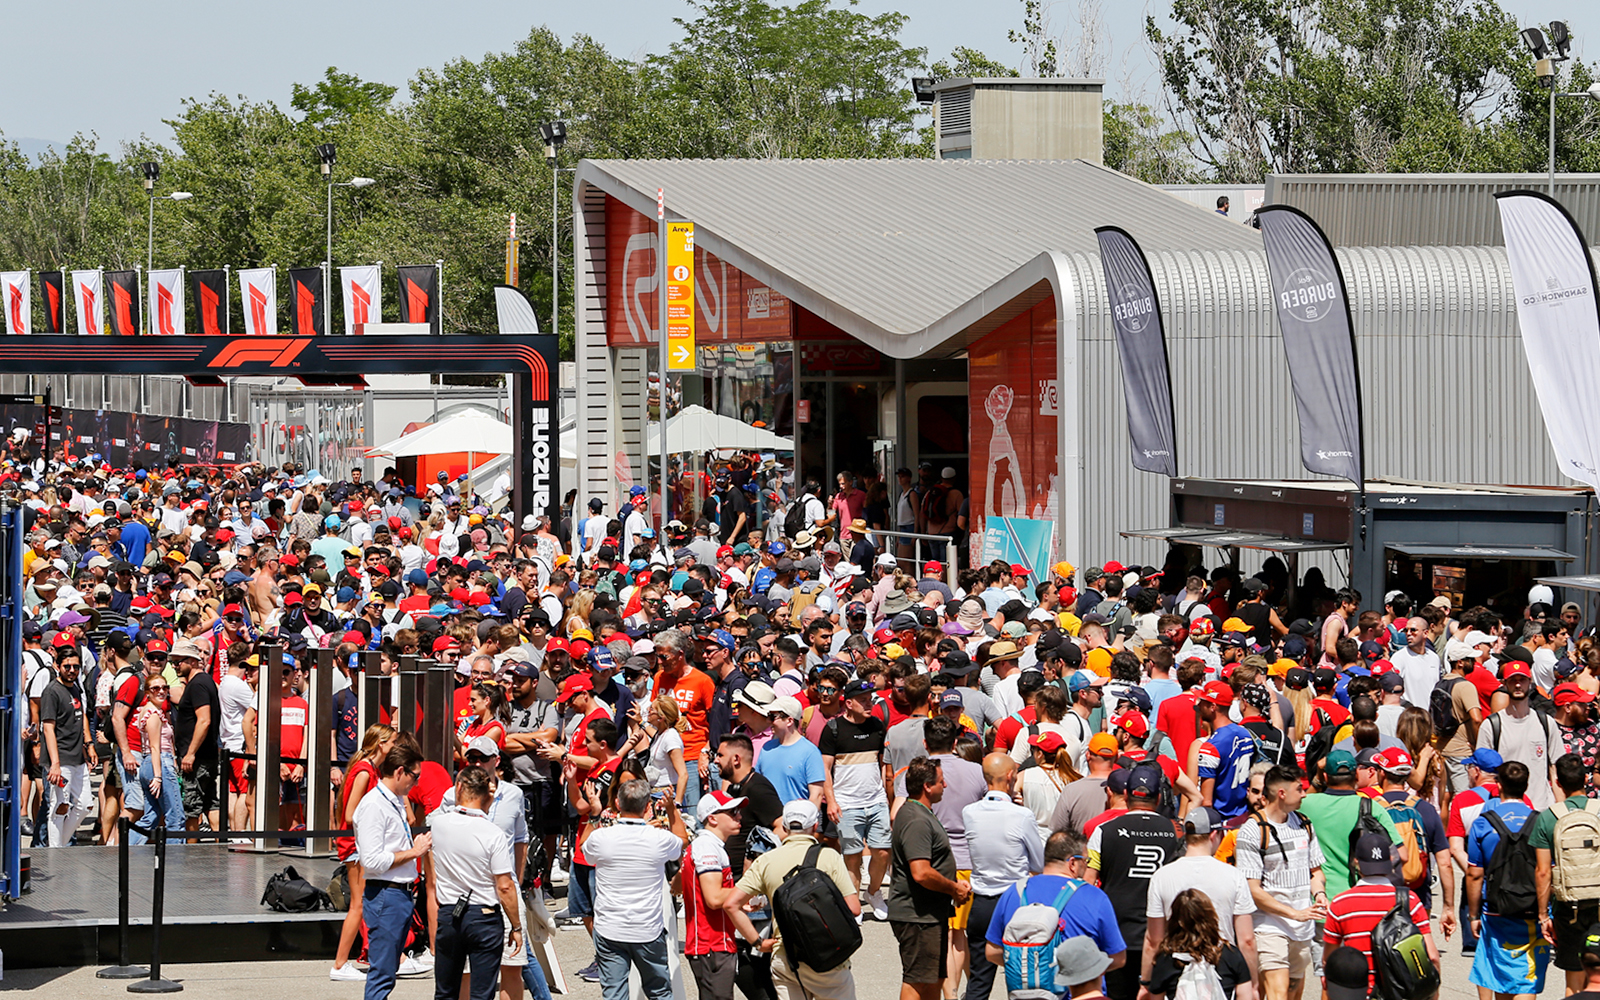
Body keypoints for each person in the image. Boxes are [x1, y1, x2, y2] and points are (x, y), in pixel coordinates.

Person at [727, 798, 862, 1000]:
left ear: (784, 826)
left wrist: (758, 942)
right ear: (815, 826)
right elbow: (854, 908)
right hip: (828, 955)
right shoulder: (829, 856)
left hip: (786, 957)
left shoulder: (766, 860)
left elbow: (731, 904)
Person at [583, 777, 689, 1000]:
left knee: (614, 994)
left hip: (609, 928)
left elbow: (585, 849)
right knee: (659, 992)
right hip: (647, 930)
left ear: (618, 804)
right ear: (648, 806)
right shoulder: (658, 838)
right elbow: (682, 840)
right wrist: (671, 810)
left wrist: (594, 814)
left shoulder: (602, 837)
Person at [429, 765, 523, 1000]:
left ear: (459, 787)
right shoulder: (493, 833)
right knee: (482, 994)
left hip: (450, 913)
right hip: (484, 916)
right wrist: (516, 926)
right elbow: (504, 886)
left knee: (445, 991)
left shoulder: (439, 825)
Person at [1087, 764, 1180, 1000]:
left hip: (1115, 934)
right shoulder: (1176, 832)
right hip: (1163, 935)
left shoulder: (1103, 831)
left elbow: (1088, 883)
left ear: (1126, 795)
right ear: (1158, 798)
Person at [1234, 766, 1326, 1000]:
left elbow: (1315, 872)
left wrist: (1320, 894)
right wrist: (1293, 914)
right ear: (1282, 793)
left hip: (1301, 929)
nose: (1305, 794)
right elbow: (1252, 889)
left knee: (1293, 993)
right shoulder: (1252, 831)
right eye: (1299, 788)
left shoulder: (1304, 824)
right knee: (1278, 993)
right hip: (1268, 926)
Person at [1143, 806, 1257, 992]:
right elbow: (1247, 940)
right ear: (1214, 835)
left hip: (1174, 969)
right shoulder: (1234, 875)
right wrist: (1252, 983)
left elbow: (1153, 940)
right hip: (1223, 969)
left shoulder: (1161, 876)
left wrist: (1146, 982)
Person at [354, 740, 434, 1000]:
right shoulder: (374, 806)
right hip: (385, 896)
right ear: (399, 772)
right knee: (382, 974)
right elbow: (372, 861)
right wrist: (415, 851)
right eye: (414, 776)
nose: (416, 783)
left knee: (387, 972)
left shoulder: (395, 801)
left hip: (397, 895)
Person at [962, 752, 1045, 1000]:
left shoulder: (970, 812)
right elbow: (1038, 862)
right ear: (1010, 777)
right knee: (1021, 978)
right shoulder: (1022, 815)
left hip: (982, 903)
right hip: (1014, 902)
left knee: (978, 980)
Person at [1466, 760, 1550, 999]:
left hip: (1495, 909)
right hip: (1533, 909)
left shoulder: (1483, 822)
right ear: (1525, 786)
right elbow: (1547, 871)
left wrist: (1473, 915)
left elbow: (1474, 874)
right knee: (1526, 977)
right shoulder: (1540, 821)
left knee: (1501, 975)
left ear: (1498, 785)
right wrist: (1545, 913)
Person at [891, 755, 971, 1000]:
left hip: (929, 914)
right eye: (941, 781)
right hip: (917, 916)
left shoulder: (921, 814)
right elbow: (921, 872)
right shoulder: (916, 820)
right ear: (927, 786)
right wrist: (953, 888)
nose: (945, 786)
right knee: (917, 981)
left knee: (934, 980)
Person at [1323, 832, 1438, 994]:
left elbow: (1329, 961)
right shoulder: (1410, 900)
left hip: (1358, 992)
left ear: (1357, 863)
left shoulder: (1340, 903)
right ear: (1391, 862)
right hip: (1401, 992)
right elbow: (1432, 956)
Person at [820, 677, 892, 921]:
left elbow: (883, 764)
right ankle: (854, 904)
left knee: (882, 851)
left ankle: (873, 893)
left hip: (876, 800)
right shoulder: (833, 729)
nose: (868, 704)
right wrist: (831, 801)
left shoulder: (877, 726)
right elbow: (825, 770)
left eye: (870, 699)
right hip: (847, 804)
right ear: (849, 703)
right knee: (851, 856)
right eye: (863, 700)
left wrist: (886, 795)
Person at [331, 724, 397, 982]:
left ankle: (392, 958)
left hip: (359, 845)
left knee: (366, 904)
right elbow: (350, 813)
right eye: (392, 741)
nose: (394, 747)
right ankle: (339, 964)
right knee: (358, 905)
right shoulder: (364, 771)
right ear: (381, 744)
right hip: (356, 847)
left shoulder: (368, 769)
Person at [1533, 753, 1600, 994]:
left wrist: (1543, 916)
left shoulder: (1548, 818)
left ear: (1558, 783)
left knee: (1573, 981)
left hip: (1568, 907)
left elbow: (1542, 872)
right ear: (1586, 778)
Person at [1299, 750, 1402, 900]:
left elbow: (1303, 796)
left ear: (1326, 776)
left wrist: (1317, 778)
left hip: (1317, 899)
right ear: (1356, 776)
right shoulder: (1371, 806)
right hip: (1357, 899)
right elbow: (1402, 853)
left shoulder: (1305, 805)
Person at [684, 790, 748, 1000]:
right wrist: (749, 892)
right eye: (732, 812)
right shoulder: (707, 847)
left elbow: (679, 883)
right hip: (712, 944)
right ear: (712, 818)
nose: (739, 816)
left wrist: (739, 900)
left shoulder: (704, 845)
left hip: (711, 944)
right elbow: (713, 898)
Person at [1477, 658, 1563, 811]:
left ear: (1530, 682)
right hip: (1505, 811)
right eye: (1513, 680)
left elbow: (1555, 767)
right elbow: (1483, 775)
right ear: (1504, 684)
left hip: (1541, 809)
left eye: (1522, 680)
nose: (1518, 685)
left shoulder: (1546, 722)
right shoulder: (1491, 725)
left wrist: (1560, 809)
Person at [1143, 889, 1256, 1000]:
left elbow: (1156, 997)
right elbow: (1245, 995)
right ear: (1211, 916)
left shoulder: (1166, 959)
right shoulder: (1231, 954)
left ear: (1175, 920)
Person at [40, 646, 93, 847]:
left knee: (85, 804)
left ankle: (60, 845)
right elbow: (48, 728)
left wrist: (89, 745)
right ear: (57, 666)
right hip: (60, 759)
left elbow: (82, 717)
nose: (72, 670)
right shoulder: (52, 692)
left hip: (78, 758)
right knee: (59, 807)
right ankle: (56, 851)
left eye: (76, 667)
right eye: (67, 666)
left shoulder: (75, 687)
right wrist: (55, 764)